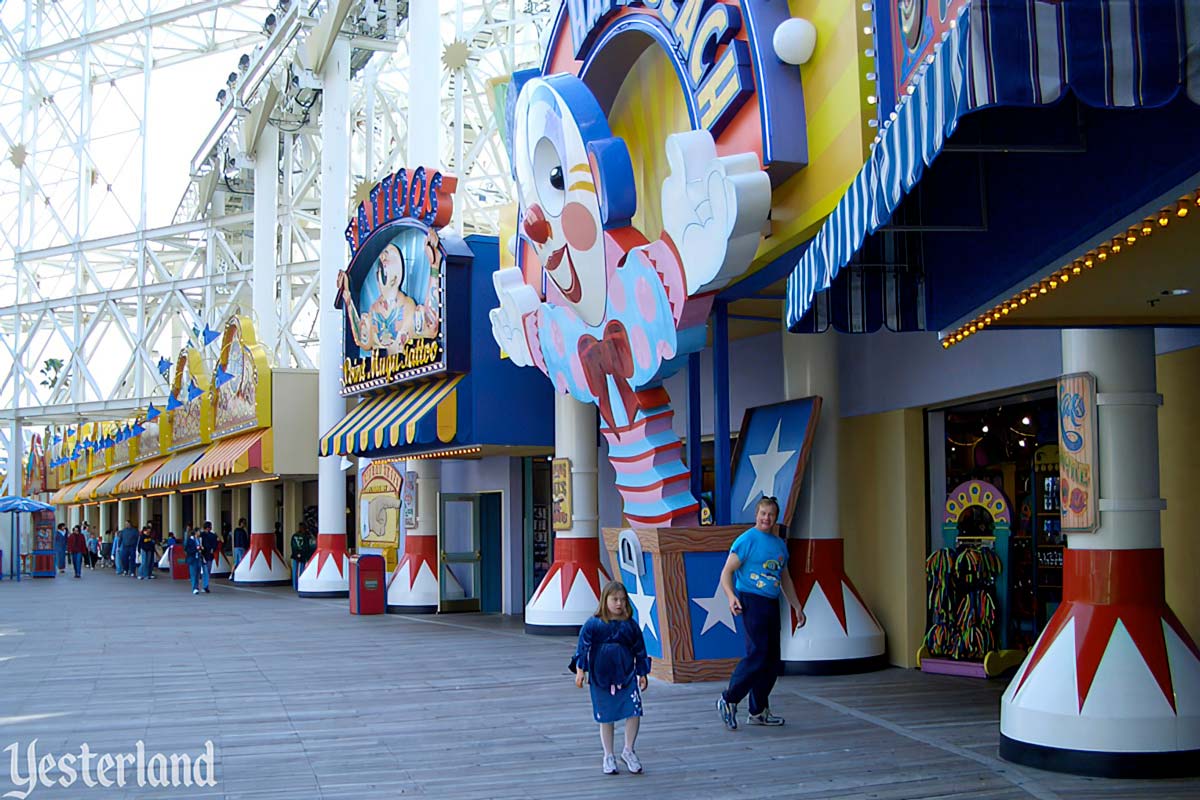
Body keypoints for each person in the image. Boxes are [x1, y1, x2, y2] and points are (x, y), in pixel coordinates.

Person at [715, 496, 805, 731]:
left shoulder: (779, 545)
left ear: (776, 518)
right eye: (763, 513)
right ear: (756, 515)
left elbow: (785, 579)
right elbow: (726, 572)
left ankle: (758, 710)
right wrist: (731, 596)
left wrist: (796, 606)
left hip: (771, 603)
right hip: (751, 600)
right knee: (758, 654)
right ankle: (729, 699)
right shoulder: (747, 540)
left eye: (771, 515)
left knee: (772, 660)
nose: (766, 518)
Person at [573, 581, 651, 775]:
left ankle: (628, 750)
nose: (619, 604)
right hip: (601, 677)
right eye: (615, 599)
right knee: (605, 716)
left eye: (623, 600)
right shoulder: (593, 624)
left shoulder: (630, 626)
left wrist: (642, 672)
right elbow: (583, 647)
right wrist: (580, 670)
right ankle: (608, 754)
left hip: (626, 675)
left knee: (634, 710)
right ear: (604, 600)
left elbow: (640, 650)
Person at [198, 521, 218, 593]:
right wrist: (212, 549)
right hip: (209, 556)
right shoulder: (213, 536)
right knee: (207, 571)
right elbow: (215, 546)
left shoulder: (201, 535)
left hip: (203, 555)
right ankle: (205, 586)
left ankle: (205, 586)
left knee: (204, 571)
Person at [184, 527, 205, 595]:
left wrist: (201, 548)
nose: (200, 533)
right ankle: (194, 588)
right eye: (199, 531)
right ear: (196, 532)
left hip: (198, 558)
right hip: (192, 558)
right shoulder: (190, 539)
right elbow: (187, 549)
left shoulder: (199, 539)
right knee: (193, 574)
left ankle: (196, 587)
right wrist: (196, 549)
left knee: (198, 574)